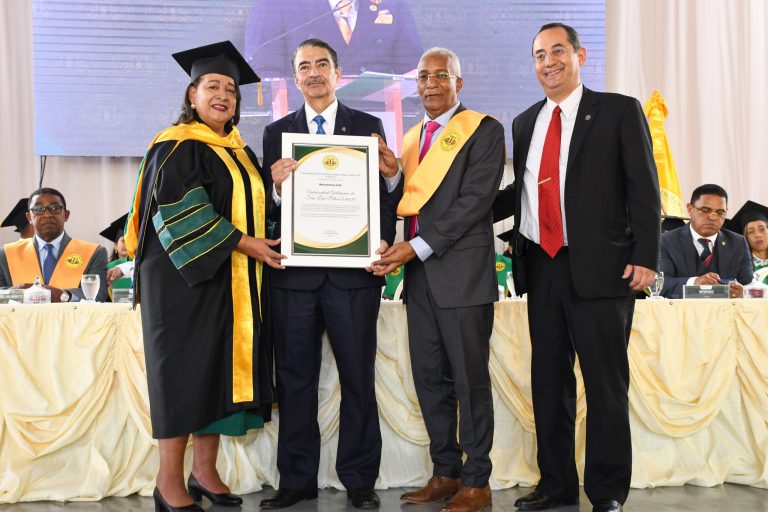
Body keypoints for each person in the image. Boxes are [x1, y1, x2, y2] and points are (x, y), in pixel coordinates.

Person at [493, 23, 660, 512]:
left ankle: (607, 490)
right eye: (539, 55)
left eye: (557, 51)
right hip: (541, 265)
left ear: (580, 55)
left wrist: (646, 256)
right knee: (549, 383)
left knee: (605, 385)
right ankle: (556, 484)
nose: (548, 62)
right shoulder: (525, 121)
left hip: (603, 270)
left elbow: (643, 187)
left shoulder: (618, 110)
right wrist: (453, 206)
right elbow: (523, 189)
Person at [123, 41, 284, 512]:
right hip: (181, 281)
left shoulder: (240, 150)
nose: (223, 96)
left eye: (231, 90)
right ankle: (167, 481)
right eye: (212, 86)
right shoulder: (176, 145)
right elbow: (180, 211)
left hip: (227, 279)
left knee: (214, 372)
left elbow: (255, 211)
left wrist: (276, 190)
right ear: (192, 94)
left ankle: (204, 472)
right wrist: (247, 244)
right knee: (181, 375)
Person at [258, 38, 402, 510]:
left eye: (323, 64)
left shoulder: (367, 127)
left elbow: (383, 195)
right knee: (294, 381)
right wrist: (277, 190)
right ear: (295, 77)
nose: (314, 72)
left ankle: (360, 479)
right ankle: (296, 479)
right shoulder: (277, 132)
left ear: (338, 73)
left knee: (358, 378)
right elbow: (267, 209)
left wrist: (384, 229)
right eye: (305, 66)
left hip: (353, 276)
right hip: (294, 279)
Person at [372, 47, 505, 512]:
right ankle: (446, 472)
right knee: (430, 379)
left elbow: (475, 202)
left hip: (461, 275)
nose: (431, 83)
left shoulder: (483, 129)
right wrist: (393, 177)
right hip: (420, 278)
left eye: (441, 75)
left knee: (469, 382)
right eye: (423, 76)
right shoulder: (412, 137)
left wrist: (417, 246)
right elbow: (409, 203)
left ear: (458, 83)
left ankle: (477, 481)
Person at [244, 0, 422, 79]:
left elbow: (412, 70)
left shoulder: (393, 4)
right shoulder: (276, 4)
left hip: (378, 118)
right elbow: (264, 74)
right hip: (304, 119)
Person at [0, 188, 109, 303]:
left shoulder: (93, 253)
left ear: (66, 215)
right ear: (29, 217)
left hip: (71, 315)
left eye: (55, 208)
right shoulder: (6, 254)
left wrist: (65, 296)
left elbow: (98, 295)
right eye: (38, 209)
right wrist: (15, 292)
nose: (47, 215)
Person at [660, 185, 753, 299]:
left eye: (720, 212)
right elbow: (661, 283)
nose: (713, 217)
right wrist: (694, 283)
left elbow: (748, 283)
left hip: (726, 309)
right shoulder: (666, 241)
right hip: (682, 309)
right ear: (690, 209)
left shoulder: (737, 242)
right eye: (705, 210)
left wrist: (742, 292)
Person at [724, 200, 768, 282]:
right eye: (751, 232)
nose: (758, 235)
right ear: (745, 237)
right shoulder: (739, 265)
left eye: (762, 229)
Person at [99, 213, 134, 287]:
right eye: (123, 241)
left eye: (130, 241)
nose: (127, 244)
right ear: (115, 246)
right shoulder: (107, 269)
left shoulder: (138, 267)